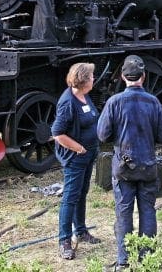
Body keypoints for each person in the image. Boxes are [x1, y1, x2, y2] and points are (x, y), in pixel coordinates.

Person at [97, 55, 162, 271]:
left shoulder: (114, 102)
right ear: (143, 77)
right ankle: (147, 258)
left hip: (123, 168)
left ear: (122, 76)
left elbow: (102, 135)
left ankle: (123, 260)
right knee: (148, 210)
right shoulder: (153, 102)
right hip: (148, 166)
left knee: (123, 212)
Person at [51, 62, 101, 261]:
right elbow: (57, 133)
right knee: (70, 197)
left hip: (88, 155)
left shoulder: (83, 95)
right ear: (83, 80)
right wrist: (79, 148)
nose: (94, 79)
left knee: (82, 193)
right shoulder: (68, 102)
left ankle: (80, 230)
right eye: (91, 76)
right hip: (76, 157)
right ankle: (64, 240)